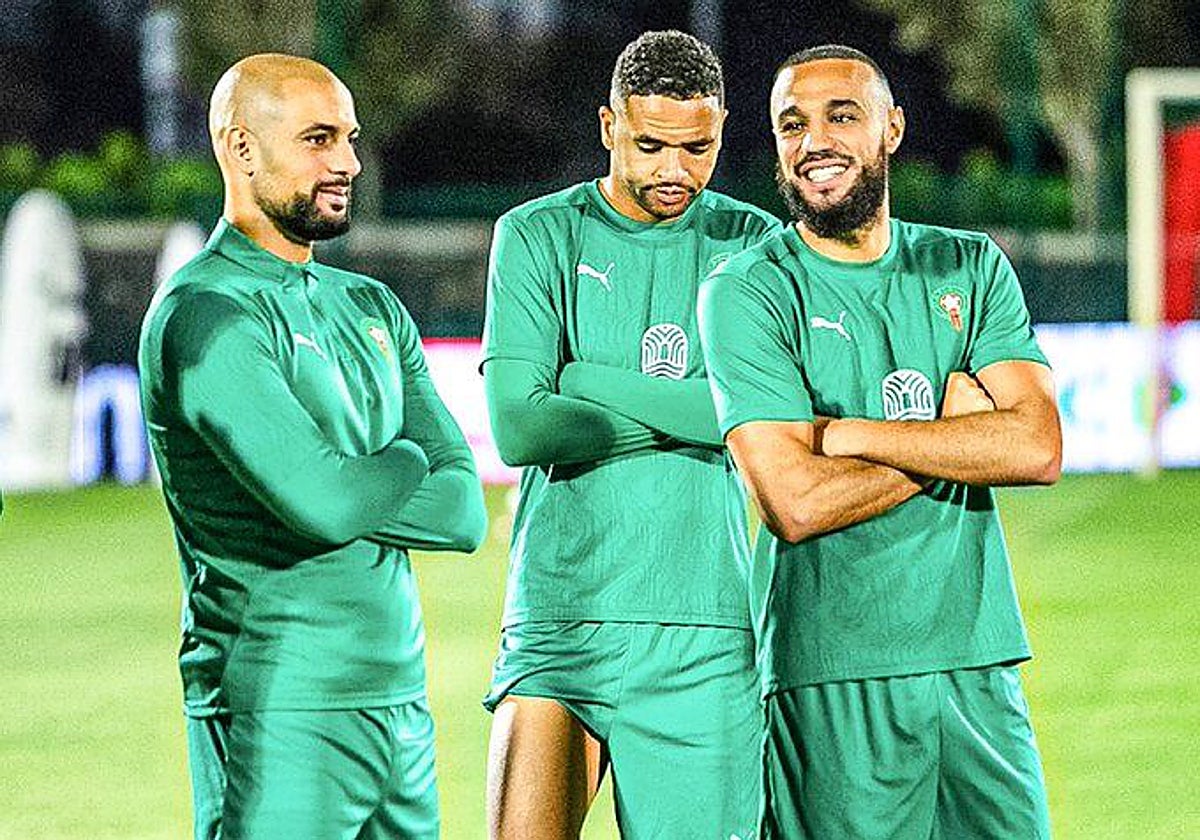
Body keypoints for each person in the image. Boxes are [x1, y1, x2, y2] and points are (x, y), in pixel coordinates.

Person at [698, 45, 1062, 840]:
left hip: (978, 661)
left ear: (891, 128)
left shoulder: (968, 265)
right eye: (792, 123)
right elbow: (792, 501)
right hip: (829, 668)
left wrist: (859, 435)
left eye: (841, 115)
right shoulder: (747, 290)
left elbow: (1036, 447)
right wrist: (960, 435)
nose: (814, 140)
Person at [138, 54, 486, 840]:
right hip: (278, 704)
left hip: (399, 703)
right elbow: (324, 505)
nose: (348, 162)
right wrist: (404, 460)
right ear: (241, 149)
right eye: (319, 139)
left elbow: (465, 511)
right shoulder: (206, 313)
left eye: (351, 139)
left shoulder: (369, 303)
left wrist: (356, 476)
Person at [481, 30, 780, 840]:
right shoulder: (538, 234)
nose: (675, 170)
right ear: (609, 125)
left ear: (722, 127)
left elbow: (752, 417)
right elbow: (517, 425)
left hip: (706, 632)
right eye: (651, 145)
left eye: (699, 147)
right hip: (557, 616)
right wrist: (692, 411)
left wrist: (581, 379)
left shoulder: (755, 247)